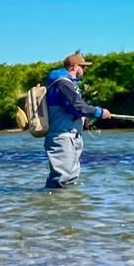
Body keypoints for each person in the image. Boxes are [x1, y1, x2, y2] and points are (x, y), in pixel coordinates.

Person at [43, 52, 112, 188]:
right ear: (74, 67)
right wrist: (100, 112)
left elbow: (72, 108)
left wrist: (84, 119)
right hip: (62, 137)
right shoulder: (62, 82)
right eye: (83, 66)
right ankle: (52, 200)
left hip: (71, 136)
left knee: (71, 179)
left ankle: (68, 202)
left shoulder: (68, 83)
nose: (84, 70)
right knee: (60, 179)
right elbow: (77, 106)